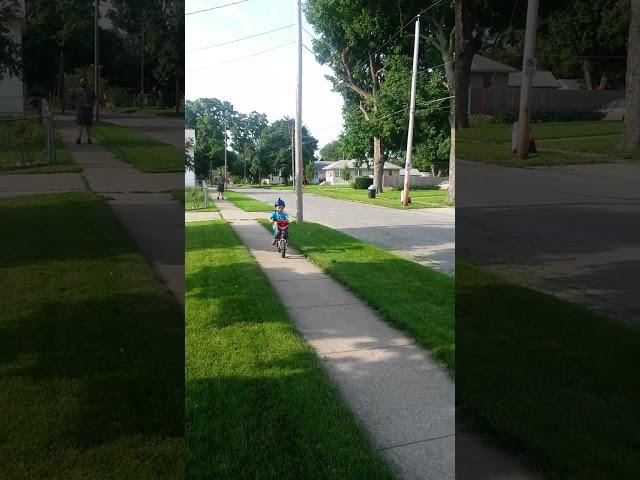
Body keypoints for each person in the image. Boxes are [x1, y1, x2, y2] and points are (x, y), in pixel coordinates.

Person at [69, 77, 96, 144]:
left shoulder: (90, 90)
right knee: (81, 125)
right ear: (79, 82)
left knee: (88, 125)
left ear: (86, 82)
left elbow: (94, 99)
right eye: (81, 81)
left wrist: (92, 106)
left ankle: (89, 138)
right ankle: (79, 138)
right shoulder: (76, 90)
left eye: (83, 81)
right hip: (80, 110)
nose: (82, 82)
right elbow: (71, 97)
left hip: (88, 110)